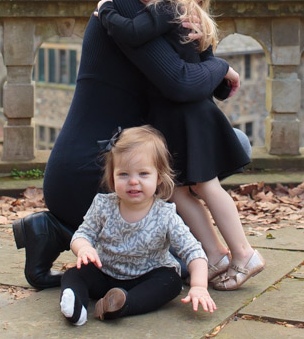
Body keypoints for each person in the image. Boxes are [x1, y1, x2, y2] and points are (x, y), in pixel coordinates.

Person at [13, 0, 250, 290]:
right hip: (94, 172)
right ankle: (64, 230)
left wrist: (215, 66)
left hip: (129, 166)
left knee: (231, 142)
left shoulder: (170, 18)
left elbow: (204, 87)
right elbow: (183, 83)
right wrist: (222, 67)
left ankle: (64, 231)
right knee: (172, 265)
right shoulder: (127, 5)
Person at [97, 0, 265, 291]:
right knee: (177, 191)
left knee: (205, 186)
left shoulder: (166, 7)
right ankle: (216, 255)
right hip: (174, 116)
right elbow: (204, 64)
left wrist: (107, 11)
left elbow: (131, 33)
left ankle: (244, 253)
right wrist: (221, 75)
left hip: (187, 115)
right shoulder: (182, 9)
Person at [59, 126, 216, 326]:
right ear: (112, 177)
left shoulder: (165, 214)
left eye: (143, 174)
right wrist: (84, 248)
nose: (133, 181)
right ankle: (75, 305)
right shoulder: (103, 205)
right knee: (74, 274)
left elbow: (193, 252)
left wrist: (199, 285)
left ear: (158, 177)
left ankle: (122, 305)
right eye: (124, 174)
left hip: (148, 276)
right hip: (105, 272)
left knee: (171, 283)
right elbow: (83, 233)